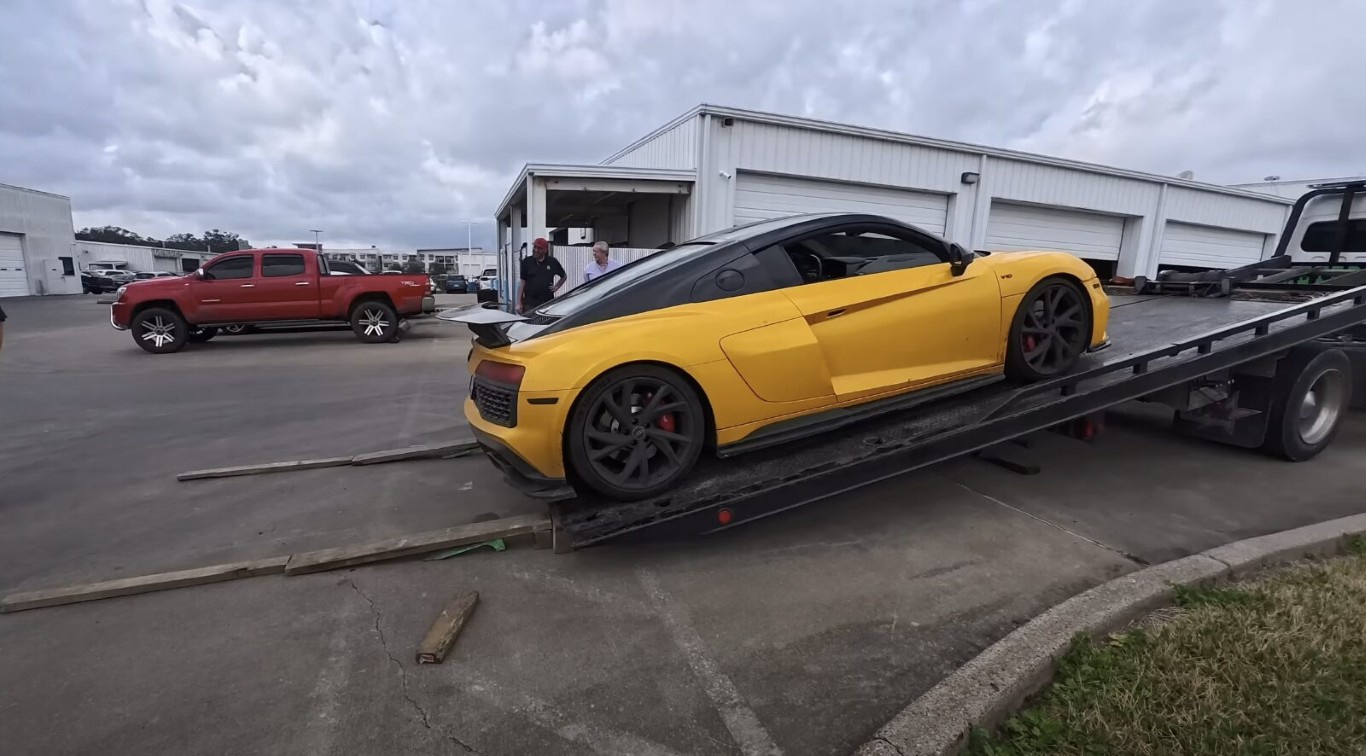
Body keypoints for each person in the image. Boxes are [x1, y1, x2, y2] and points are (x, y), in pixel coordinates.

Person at [518, 237, 566, 313]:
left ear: (545, 250)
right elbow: (522, 283)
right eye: (535, 247)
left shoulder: (552, 262)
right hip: (529, 304)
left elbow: (563, 276)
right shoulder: (527, 262)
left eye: (539, 248)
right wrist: (519, 303)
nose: (536, 250)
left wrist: (556, 287)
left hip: (547, 303)